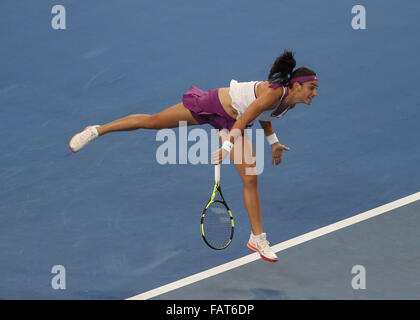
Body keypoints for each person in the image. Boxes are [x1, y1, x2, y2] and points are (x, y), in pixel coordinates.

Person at [69, 50, 318, 262]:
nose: (314, 93)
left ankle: (257, 238)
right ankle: (96, 130)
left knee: (251, 177)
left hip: (232, 123)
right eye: (311, 88)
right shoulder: (275, 93)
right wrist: (228, 148)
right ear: (296, 85)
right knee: (153, 122)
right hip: (214, 105)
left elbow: (263, 116)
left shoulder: (289, 101)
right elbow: (245, 117)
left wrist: (273, 142)